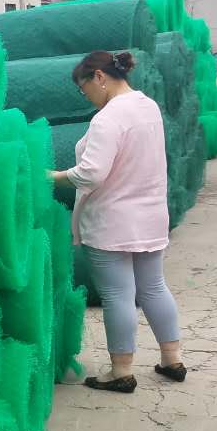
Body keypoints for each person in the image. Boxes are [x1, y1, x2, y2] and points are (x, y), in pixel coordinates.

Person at [48, 50, 183, 394]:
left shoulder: (108, 118)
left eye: (84, 89)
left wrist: (55, 176)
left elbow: (91, 173)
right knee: (154, 287)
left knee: (118, 294)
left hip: (113, 221)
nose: (86, 97)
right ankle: (172, 360)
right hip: (150, 216)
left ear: (99, 77)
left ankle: (121, 371)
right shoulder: (148, 106)